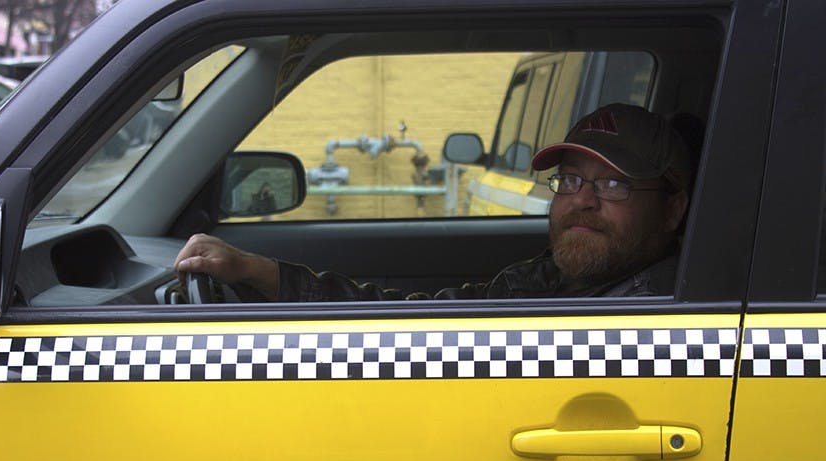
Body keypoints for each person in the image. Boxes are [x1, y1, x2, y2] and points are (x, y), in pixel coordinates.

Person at [174, 103, 692, 301]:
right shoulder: (568, 280)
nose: (583, 202)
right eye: (572, 181)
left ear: (672, 210)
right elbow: (413, 320)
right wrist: (257, 271)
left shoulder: (649, 311)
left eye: (615, 185)